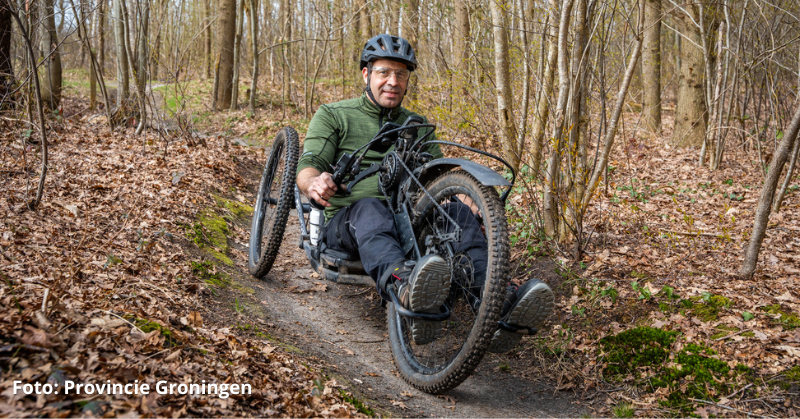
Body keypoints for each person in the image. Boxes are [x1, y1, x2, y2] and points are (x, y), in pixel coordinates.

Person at [296, 34, 554, 352]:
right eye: (383, 72)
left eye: (401, 75)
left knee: (456, 214)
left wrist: (472, 207)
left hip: (408, 219)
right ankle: (404, 288)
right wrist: (314, 183)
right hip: (349, 220)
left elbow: (439, 179)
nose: (393, 82)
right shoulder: (335, 115)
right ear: (366, 74)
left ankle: (495, 303)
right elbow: (309, 165)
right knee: (371, 209)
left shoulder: (418, 126)